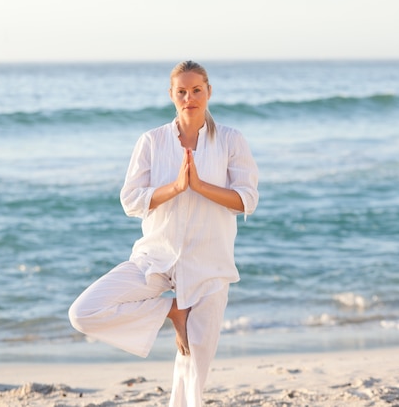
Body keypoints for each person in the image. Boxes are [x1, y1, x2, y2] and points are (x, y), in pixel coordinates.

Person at [69, 60, 259, 406]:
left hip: (208, 264)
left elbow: (246, 199)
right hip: (155, 258)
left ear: (209, 92)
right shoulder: (152, 141)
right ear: (171, 95)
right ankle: (172, 310)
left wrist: (200, 186)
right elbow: (130, 200)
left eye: (196, 90)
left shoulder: (231, 140)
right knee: (83, 312)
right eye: (182, 91)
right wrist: (175, 188)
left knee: (192, 373)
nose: (190, 97)